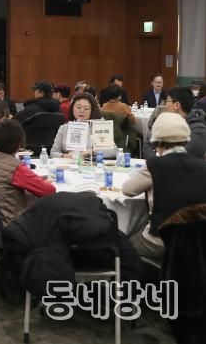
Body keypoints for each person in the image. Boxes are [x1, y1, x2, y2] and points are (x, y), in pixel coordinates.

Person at [122, 113, 206, 261]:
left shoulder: (155, 165)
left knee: (125, 244)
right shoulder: (202, 166)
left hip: (161, 239)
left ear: (157, 142)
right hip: (198, 242)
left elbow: (127, 190)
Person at [0, 119, 56, 226]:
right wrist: (42, 183)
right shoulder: (16, 167)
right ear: (19, 144)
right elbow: (49, 191)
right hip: (4, 224)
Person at [143, 86, 206, 159]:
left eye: (166, 101)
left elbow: (181, 157)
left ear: (176, 105)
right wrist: (155, 160)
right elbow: (148, 145)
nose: (164, 106)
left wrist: (158, 161)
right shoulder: (165, 121)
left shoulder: (198, 130)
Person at [51, 92, 117, 158]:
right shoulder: (64, 128)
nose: (82, 111)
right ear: (72, 108)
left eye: (86, 108)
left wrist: (92, 152)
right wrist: (64, 156)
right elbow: (53, 152)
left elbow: (114, 151)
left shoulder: (99, 126)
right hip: (70, 162)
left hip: (92, 163)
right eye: (79, 107)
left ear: (92, 111)